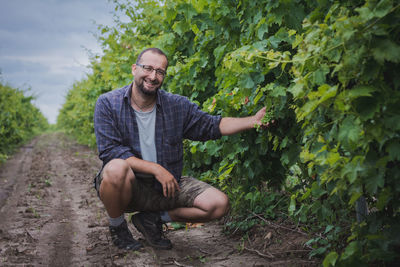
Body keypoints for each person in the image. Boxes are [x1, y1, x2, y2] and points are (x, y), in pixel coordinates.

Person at [93, 47, 269, 251]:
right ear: (134, 69)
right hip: (129, 187)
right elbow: (110, 151)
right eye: (148, 68)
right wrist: (156, 169)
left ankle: (153, 219)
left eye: (160, 71)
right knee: (115, 168)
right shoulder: (108, 103)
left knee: (219, 204)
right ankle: (118, 228)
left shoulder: (176, 106)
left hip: (166, 187)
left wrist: (252, 121)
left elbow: (212, 125)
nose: (153, 76)